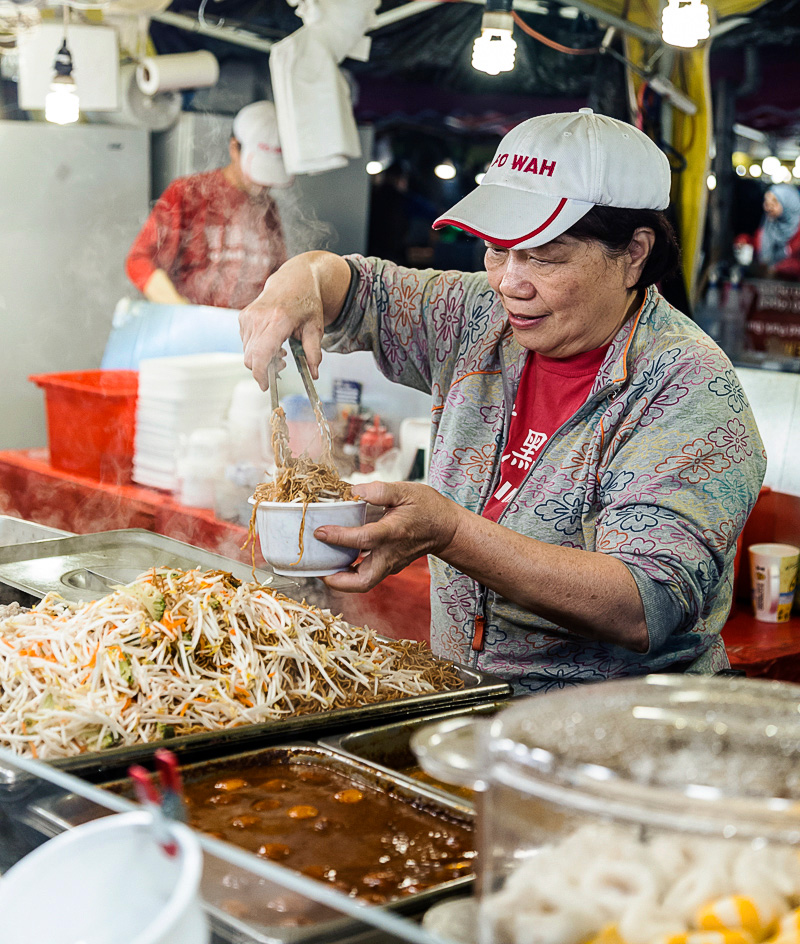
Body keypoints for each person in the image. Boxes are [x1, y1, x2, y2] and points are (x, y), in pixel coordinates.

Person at [239, 109, 766, 693]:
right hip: (473, 711)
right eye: (497, 250)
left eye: (544, 257)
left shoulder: (686, 385)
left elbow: (641, 604)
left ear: (634, 254)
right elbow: (354, 289)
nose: (509, 281)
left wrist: (451, 534)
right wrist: (296, 281)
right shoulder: (479, 320)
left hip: (621, 744)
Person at [126, 101, 290, 311]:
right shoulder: (188, 193)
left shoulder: (268, 209)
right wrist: (181, 310)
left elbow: (278, 276)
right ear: (234, 148)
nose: (265, 183)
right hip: (190, 332)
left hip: (244, 335)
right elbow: (139, 262)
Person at [757, 185, 800, 270]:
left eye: (775, 201)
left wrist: (778, 269)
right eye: (766, 201)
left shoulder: (798, 232)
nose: (768, 207)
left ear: (788, 203)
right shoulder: (768, 225)